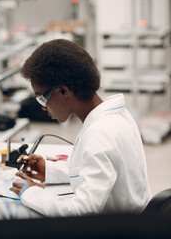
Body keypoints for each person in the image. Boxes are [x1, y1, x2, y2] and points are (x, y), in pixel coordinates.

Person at [10, 39, 151, 217]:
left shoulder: (100, 134)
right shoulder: (115, 117)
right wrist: (50, 171)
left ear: (63, 91)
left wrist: (31, 192)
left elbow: (81, 212)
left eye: (42, 98)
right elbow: (97, 171)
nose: (43, 107)